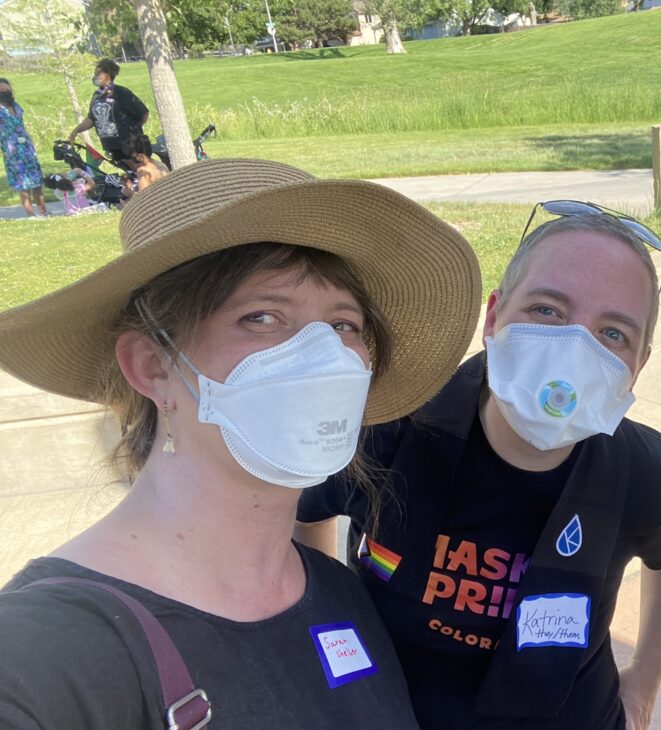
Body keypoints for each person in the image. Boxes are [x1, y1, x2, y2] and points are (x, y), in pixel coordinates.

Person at [0, 158, 481, 728]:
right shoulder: (46, 653)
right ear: (153, 365)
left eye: (344, 325)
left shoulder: (333, 589)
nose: (322, 356)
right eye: (262, 317)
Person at [297, 202, 661, 730]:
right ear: (493, 318)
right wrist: (328, 636)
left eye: (612, 334)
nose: (572, 348)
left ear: (638, 366)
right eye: (547, 311)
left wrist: (645, 680)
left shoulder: (647, 473)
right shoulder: (391, 431)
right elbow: (305, 511)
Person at [68, 58, 149, 166]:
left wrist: (134, 130)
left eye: (97, 74)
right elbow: (91, 119)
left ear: (107, 76)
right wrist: (76, 130)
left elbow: (143, 113)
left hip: (129, 144)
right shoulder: (97, 95)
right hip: (111, 145)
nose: (94, 77)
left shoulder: (121, 92)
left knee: (140, 170)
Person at [0, 77, 46, 218]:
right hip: (12, 152)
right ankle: (31, 216)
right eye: (1, 90)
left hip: (27, 149)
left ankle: (44, 213)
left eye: (7, 89)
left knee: (37, 183)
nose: (5, 91)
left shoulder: (16, 106)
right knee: (24, 186)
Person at [120, 133, 169, 200]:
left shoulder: (142, 170)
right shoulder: (160, 164)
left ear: (138, 156)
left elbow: (143, 198)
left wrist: (130, 193)